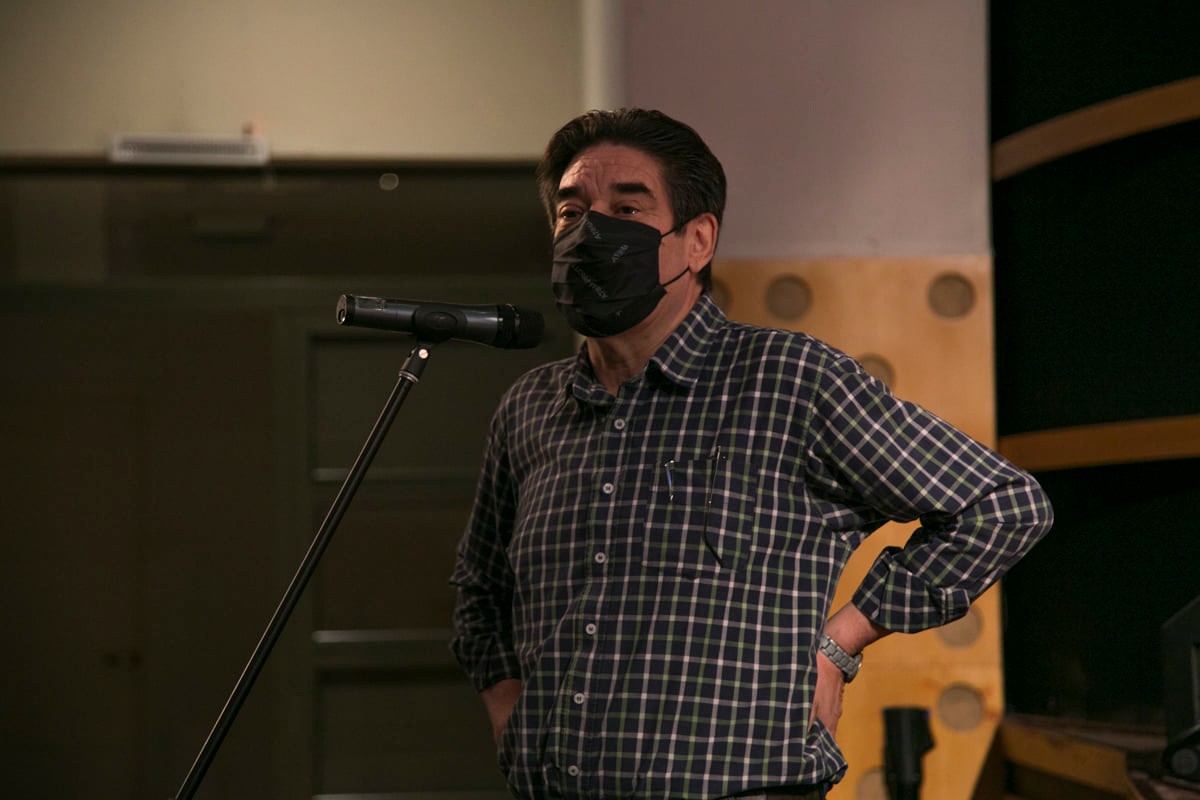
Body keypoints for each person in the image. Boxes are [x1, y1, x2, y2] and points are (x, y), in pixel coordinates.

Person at [450, 108, 1053, 800]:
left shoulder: (790, 379)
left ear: (698, 240)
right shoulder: (530, 407)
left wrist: (842, 642)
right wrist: (508, 711)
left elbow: (1002, 505)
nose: (591, 231)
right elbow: (479, 588)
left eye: (627, 208)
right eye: (571, 211)